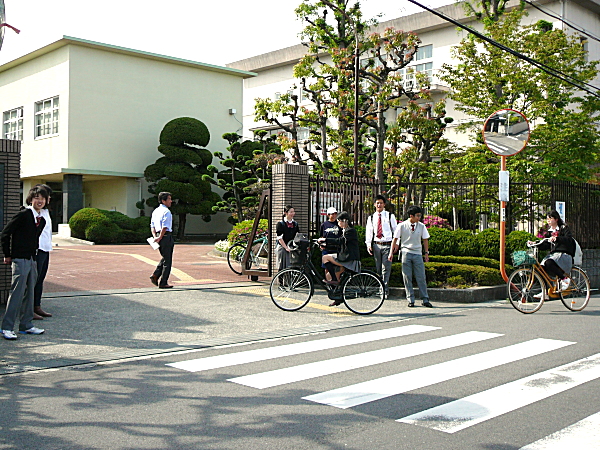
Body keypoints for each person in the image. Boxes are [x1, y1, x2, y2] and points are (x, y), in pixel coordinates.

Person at [1, 186, 48, 340]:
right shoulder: (23, 215)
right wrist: (8, 255)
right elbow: (5, 234)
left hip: (32, 259)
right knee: (17, 293)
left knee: (30, 293)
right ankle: (6, 327)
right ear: (31, 199)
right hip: (20, 259)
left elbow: (34, 239)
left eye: (42, 198)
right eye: (37, 198)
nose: (39, 201)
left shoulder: (41, 220)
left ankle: (26, 325)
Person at [389, 205, 432, 308]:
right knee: (407, 277)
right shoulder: (402, 225)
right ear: (411, 216)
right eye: (417, 216)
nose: (419, 218)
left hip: (417, 253)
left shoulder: (421, 226)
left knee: (421, 276)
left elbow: (425, 239)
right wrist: (391, 253)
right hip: (405, 252)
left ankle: (425, 299)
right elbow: (395, 239)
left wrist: (426, 253)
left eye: (420, 215)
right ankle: (410, 299)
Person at [318, 211, 361, 306]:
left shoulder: (350, 231)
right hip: (344, 257)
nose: (338, 224)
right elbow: (340, 244)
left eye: (339, 221)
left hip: (349, 259)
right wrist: (326, 246)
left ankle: (334, 279)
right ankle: (338, 297)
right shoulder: (345, 231)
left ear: (345, 221)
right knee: (328, 276)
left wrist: (325, 239)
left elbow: (340, 241)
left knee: (325, 257)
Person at [530, 210, 575, 296]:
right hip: (554, 255)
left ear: (556, 219)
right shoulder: (549, 232)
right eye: (547, 219)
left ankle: (564, 279)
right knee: (541, 268)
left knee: (548, 262)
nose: (548, 221)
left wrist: (557, 239)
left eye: (550, 218)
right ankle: (545, 292)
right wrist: (535, 244)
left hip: (564, 255)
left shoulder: (563, 228)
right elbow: (546, 244)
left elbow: (569, 239)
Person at [365, 194, 397, 297]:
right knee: (378, 268)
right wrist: (368, 244)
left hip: (387, 245)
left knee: (385, 268)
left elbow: (395, 231)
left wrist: (396, 243)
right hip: (376, 245)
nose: (379, 205)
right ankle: (380, 286)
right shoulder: (371, 218)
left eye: (381, 203)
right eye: (377, 203)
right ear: (374, 204)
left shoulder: (389, 216)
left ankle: (384, 290)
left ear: (384, 204)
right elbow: (369, 232)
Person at [33, 184, 53, 320]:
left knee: (40, 279)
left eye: (46, 197)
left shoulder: (45, 212)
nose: (43, 200)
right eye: (39, 197)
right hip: (36, 250)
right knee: (33, 280)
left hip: (46, 249)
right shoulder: (30, 212)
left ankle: (37, 306)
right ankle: (28, 309)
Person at [150, 192, 174, 289]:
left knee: (165, 257)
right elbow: (165, 226)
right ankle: (163, 282)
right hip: (166, 236)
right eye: (169, 199)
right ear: (163, 201)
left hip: (158, 237)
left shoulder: (155, 211)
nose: (171, 201)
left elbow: (152, 225)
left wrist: (155, 236)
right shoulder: (166, 212)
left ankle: (156, 275)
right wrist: (160, 236)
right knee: (167, 261)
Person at [275, 205, 299, 271]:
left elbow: (297, 236)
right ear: (286, 213)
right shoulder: (281, 224)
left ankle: (288, 281)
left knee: (291, 266)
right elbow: (279, 238)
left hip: (291, 247)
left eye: (293, 212)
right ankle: (280, 280)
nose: (293, 213)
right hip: (282, 247)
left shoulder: (295, 224)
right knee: (281, 266)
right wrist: (286, 247)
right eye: (291, 212)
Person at [320, 206, 340, 281]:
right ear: (328, 215)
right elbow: (321, 236)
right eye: (332, 214)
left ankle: (336, 281)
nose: (334, 215)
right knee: (327, 267)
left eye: (335, 214)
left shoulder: (338, 224)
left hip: (336, 248)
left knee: (336, 267)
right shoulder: (324, 225)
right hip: (326, 249)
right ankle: (329, 282)